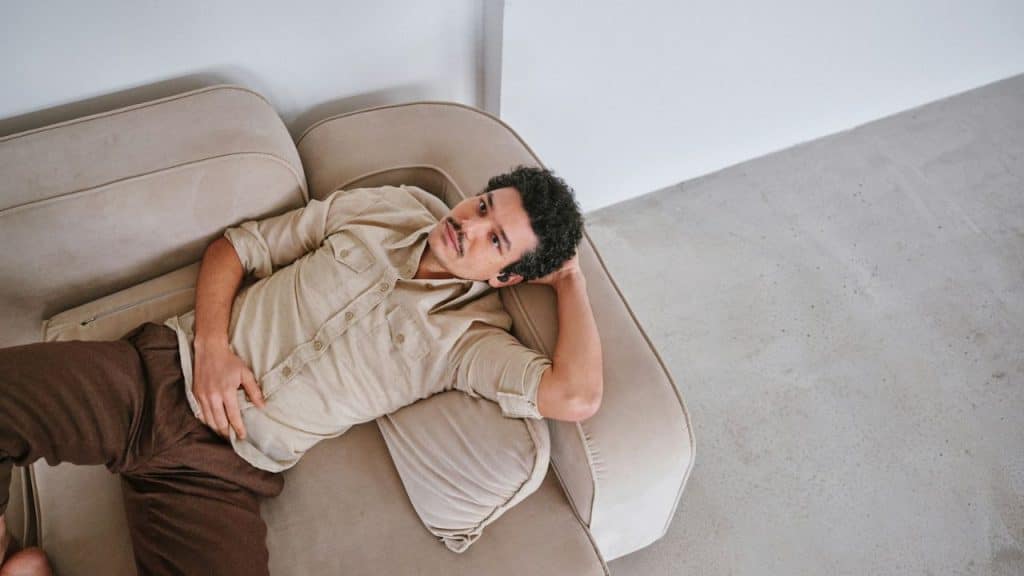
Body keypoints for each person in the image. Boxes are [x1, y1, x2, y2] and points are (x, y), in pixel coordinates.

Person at [0, 165, 602, 575]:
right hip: (154, 378)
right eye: (483, 206)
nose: (468, 226)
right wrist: (212, 346)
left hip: (224, 474)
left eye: (495, 240)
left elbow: (575, 396)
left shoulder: (470, 340)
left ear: (507, 277)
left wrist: (571, 279)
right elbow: (238, 247)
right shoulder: (389, 207)